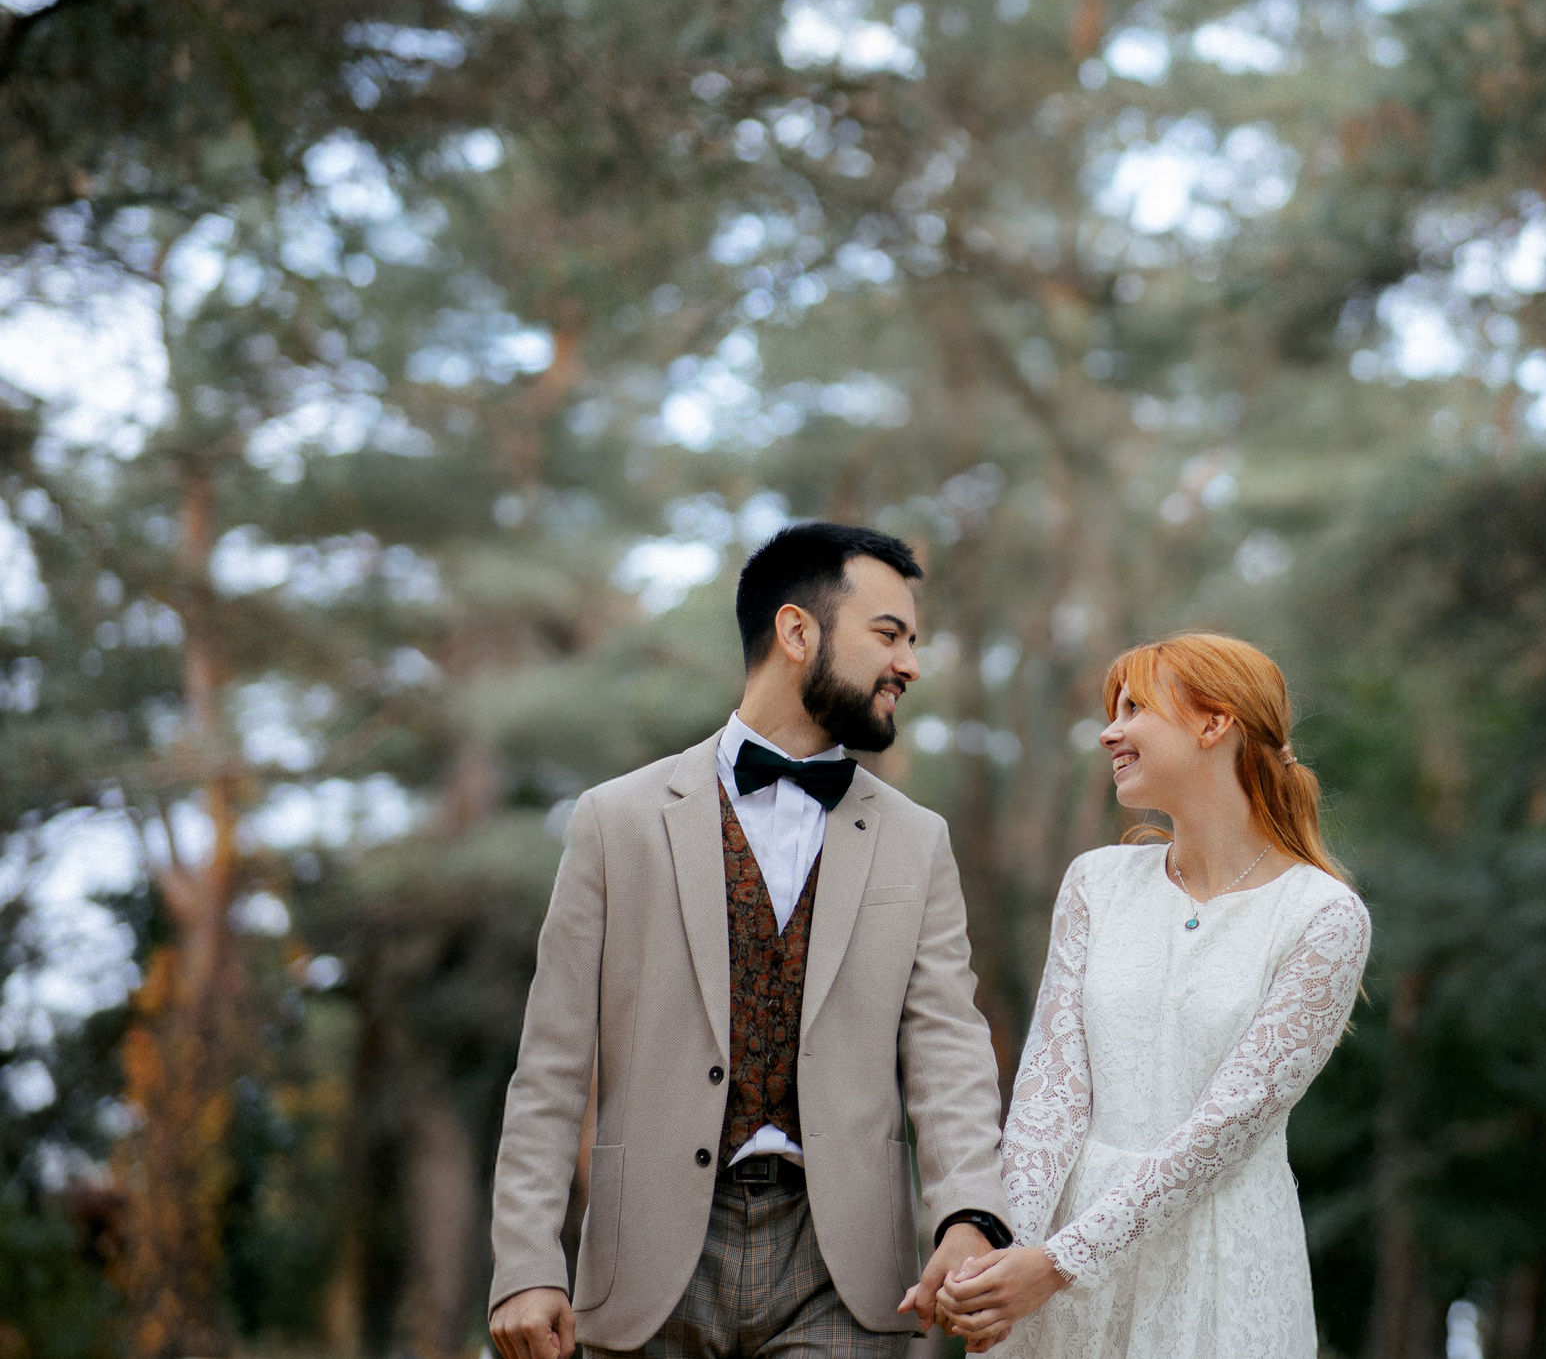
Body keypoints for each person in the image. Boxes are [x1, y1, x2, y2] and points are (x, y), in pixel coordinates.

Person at [485, 523, 1015, 1359]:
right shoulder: (614, 821)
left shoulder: (918, 840)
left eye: (912, 641)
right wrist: (524, 1261)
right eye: (888, 635)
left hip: (842, 1268)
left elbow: (949, 1047)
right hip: (645, 1260)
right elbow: (550, 1063)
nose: (909, 664)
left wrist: (969, 1212)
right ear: (798, 631)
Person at [936, 633, 1372, 1357]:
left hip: (1215, 1264)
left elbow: (1222, 1133)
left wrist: (1059, 1263)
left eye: (1134, 707)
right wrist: (999, 1252)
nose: (1110, 729)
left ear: (1214, 723)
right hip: (1054, 1263)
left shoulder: (1322, 916)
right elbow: (1049, 1097)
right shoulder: (1095, 883)